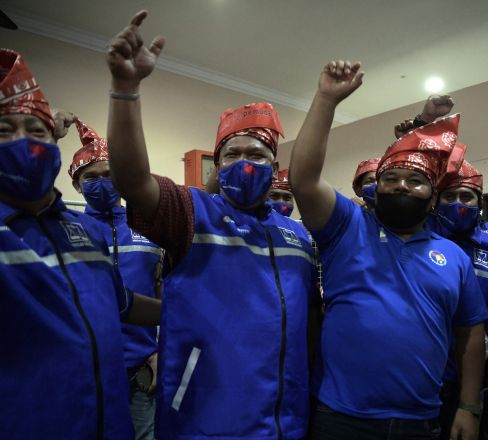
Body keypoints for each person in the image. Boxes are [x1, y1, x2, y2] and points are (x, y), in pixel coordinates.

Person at [105, 11, 319, 439]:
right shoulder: (191, 212)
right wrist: (125, 91)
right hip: (203, 417)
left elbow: (310, 320)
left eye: (255, 155)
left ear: (275, 166)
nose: (244, 163)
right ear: (217, 167)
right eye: (231, 155)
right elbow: (132, 180)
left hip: (285, 417)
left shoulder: (298, 236)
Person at [290, 59, 488, 440]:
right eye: (391, 178)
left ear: (433, 198)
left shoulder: (455, 257)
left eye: (415, 181)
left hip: (421, 420)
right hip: (340, 418)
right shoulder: (347, 227)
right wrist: (326, 101)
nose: (401, 186)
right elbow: (303, 179)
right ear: (374, 190)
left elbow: (470, 335)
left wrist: (469, 406)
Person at [0, 48, 160, 439]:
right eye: (4, 132)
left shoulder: (82, 232)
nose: (25, 144)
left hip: (111, 417)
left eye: (36, 133)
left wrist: (189, 313)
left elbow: (122, 303)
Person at [69, 118, 164, 440]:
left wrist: (161, 348)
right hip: (84, 369)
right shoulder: (68, 232)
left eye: (110, 175)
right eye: (90, 177)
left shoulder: (151, 227)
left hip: (141, 366)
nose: (101, 182)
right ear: (77, 185)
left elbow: (165, 294)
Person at [430, 160, 488, 440]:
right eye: (448, 196)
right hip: (431, 366)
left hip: (480, 364)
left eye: (466, 196)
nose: (458, 203)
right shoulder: (421, 235)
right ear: (435, 200)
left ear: (480, 200)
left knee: (485, 429)